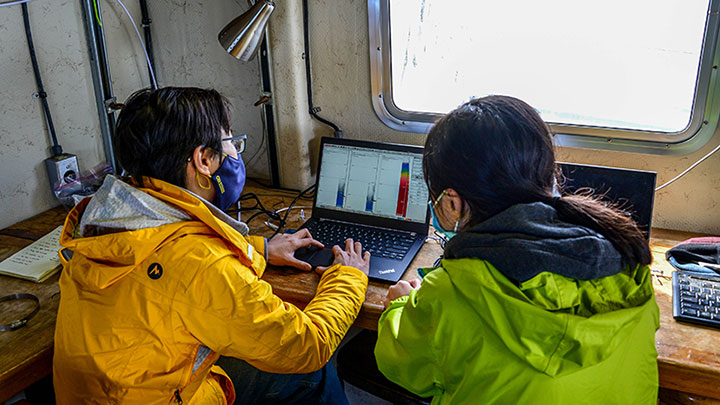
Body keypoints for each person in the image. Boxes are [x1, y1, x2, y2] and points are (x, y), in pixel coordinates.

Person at [53, 87, 370, 404]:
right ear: (204, 160)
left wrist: (258, 249)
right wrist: (348, 277)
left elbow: (163, 258)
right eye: (232, 142)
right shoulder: (204, 265)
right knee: (310, 374)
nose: (236, 153)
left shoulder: (105, 216)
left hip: (106, 391)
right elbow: (306, 346)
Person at [374, 95, 659, 404]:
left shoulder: (450, 293)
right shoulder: (628, 263)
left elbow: (402, 366)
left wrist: (399, 306)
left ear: (452, 202)